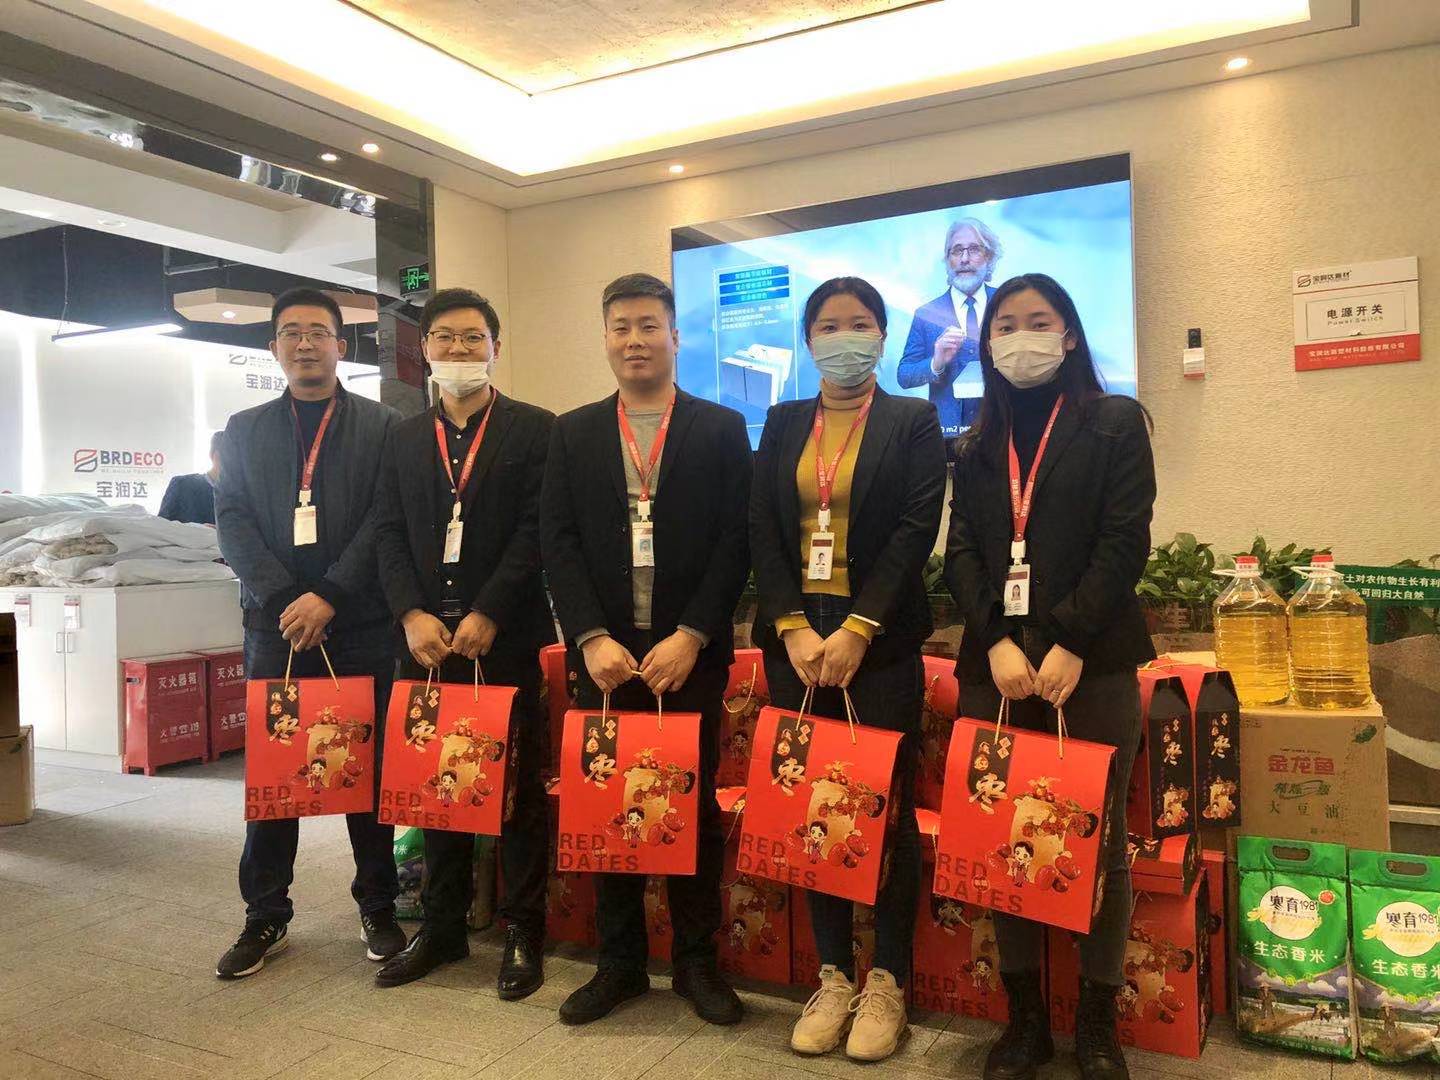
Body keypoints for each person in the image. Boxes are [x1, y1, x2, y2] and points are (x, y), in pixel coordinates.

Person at [943, 272, 1155, 1080]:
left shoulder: (1112, 422)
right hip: (994, 670)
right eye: (1005, 325)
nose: (1019, 337)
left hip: (1090, 667)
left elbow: (1123, 541)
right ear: (987, 341)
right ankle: (1024, 1021)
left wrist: (1067, 638)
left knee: (1099, 844)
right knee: (1003, 840)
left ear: (1067, 334)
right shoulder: (975, 442)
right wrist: (997, 639)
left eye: (1037, 321)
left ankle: (1096, 1023)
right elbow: (963, 553)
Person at [540, 272, 752, 1027]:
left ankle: (696, 962)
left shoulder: (720, 428)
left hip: (687, 655)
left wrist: (692, 635)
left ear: (675, 336)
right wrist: (589, 637)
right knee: (608, 806)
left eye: (649, 325)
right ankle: (620, 964)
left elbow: (736, 541)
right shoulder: (572, 432)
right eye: (621, 327)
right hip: (605, 659)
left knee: (690, 806)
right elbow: (558, 542)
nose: (635, 340)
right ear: (605, 338)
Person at [750, 276, 946, 1062]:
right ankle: (833, 977)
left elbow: (914, 529)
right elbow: (762, 528)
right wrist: (792, 626)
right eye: (828, 326)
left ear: (883, 334)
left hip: (881, 650)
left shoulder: (913, 420)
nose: (844, 338)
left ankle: (888, 981)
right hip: (795, 650)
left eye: (859, 324)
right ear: (808, 341)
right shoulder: (782, 420)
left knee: (883, 813)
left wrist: (861, 627)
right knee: (809, 811)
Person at [213, 287, 406, 979]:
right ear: (273, 347)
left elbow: (385, 520)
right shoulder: (242, 430)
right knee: (277, 776)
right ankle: (265, 914)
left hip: (359, 625)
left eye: (318, 332)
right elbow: (232, 521)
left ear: (340, 346)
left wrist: (328, 595)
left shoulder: (383, 426)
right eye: (291, 332)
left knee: (368, 773)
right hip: (276, 630)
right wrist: (286, 599)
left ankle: (379, 905)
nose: (304, 343)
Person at [371, 288, 556, 998]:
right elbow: (387, 531)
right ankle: (442, 927)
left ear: (495, 348)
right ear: (424, 350)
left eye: (473, 338)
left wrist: (490, 611)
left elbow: (537, 531)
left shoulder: (535, 429)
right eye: (444, 337)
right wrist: (410, 614)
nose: (459, 349)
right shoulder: (401, 438)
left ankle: (522, 930)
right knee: (436, 787)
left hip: (504, 640)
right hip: (426, 645)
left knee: (517, 789)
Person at [896, 217, 1003, 434]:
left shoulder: (1007, 303)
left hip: (1001, 430)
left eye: (974, 249)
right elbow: (904, 376)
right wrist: (936, 363)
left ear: (989, 257)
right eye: (957, 251)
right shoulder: (926, 314)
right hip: (947, 436)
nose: (964, 259)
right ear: (947, 260)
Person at [158, 430, 223, 524]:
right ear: (215, 456)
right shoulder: (182, 485)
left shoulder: (241, 495)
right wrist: (195, 529)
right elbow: (161, 527)